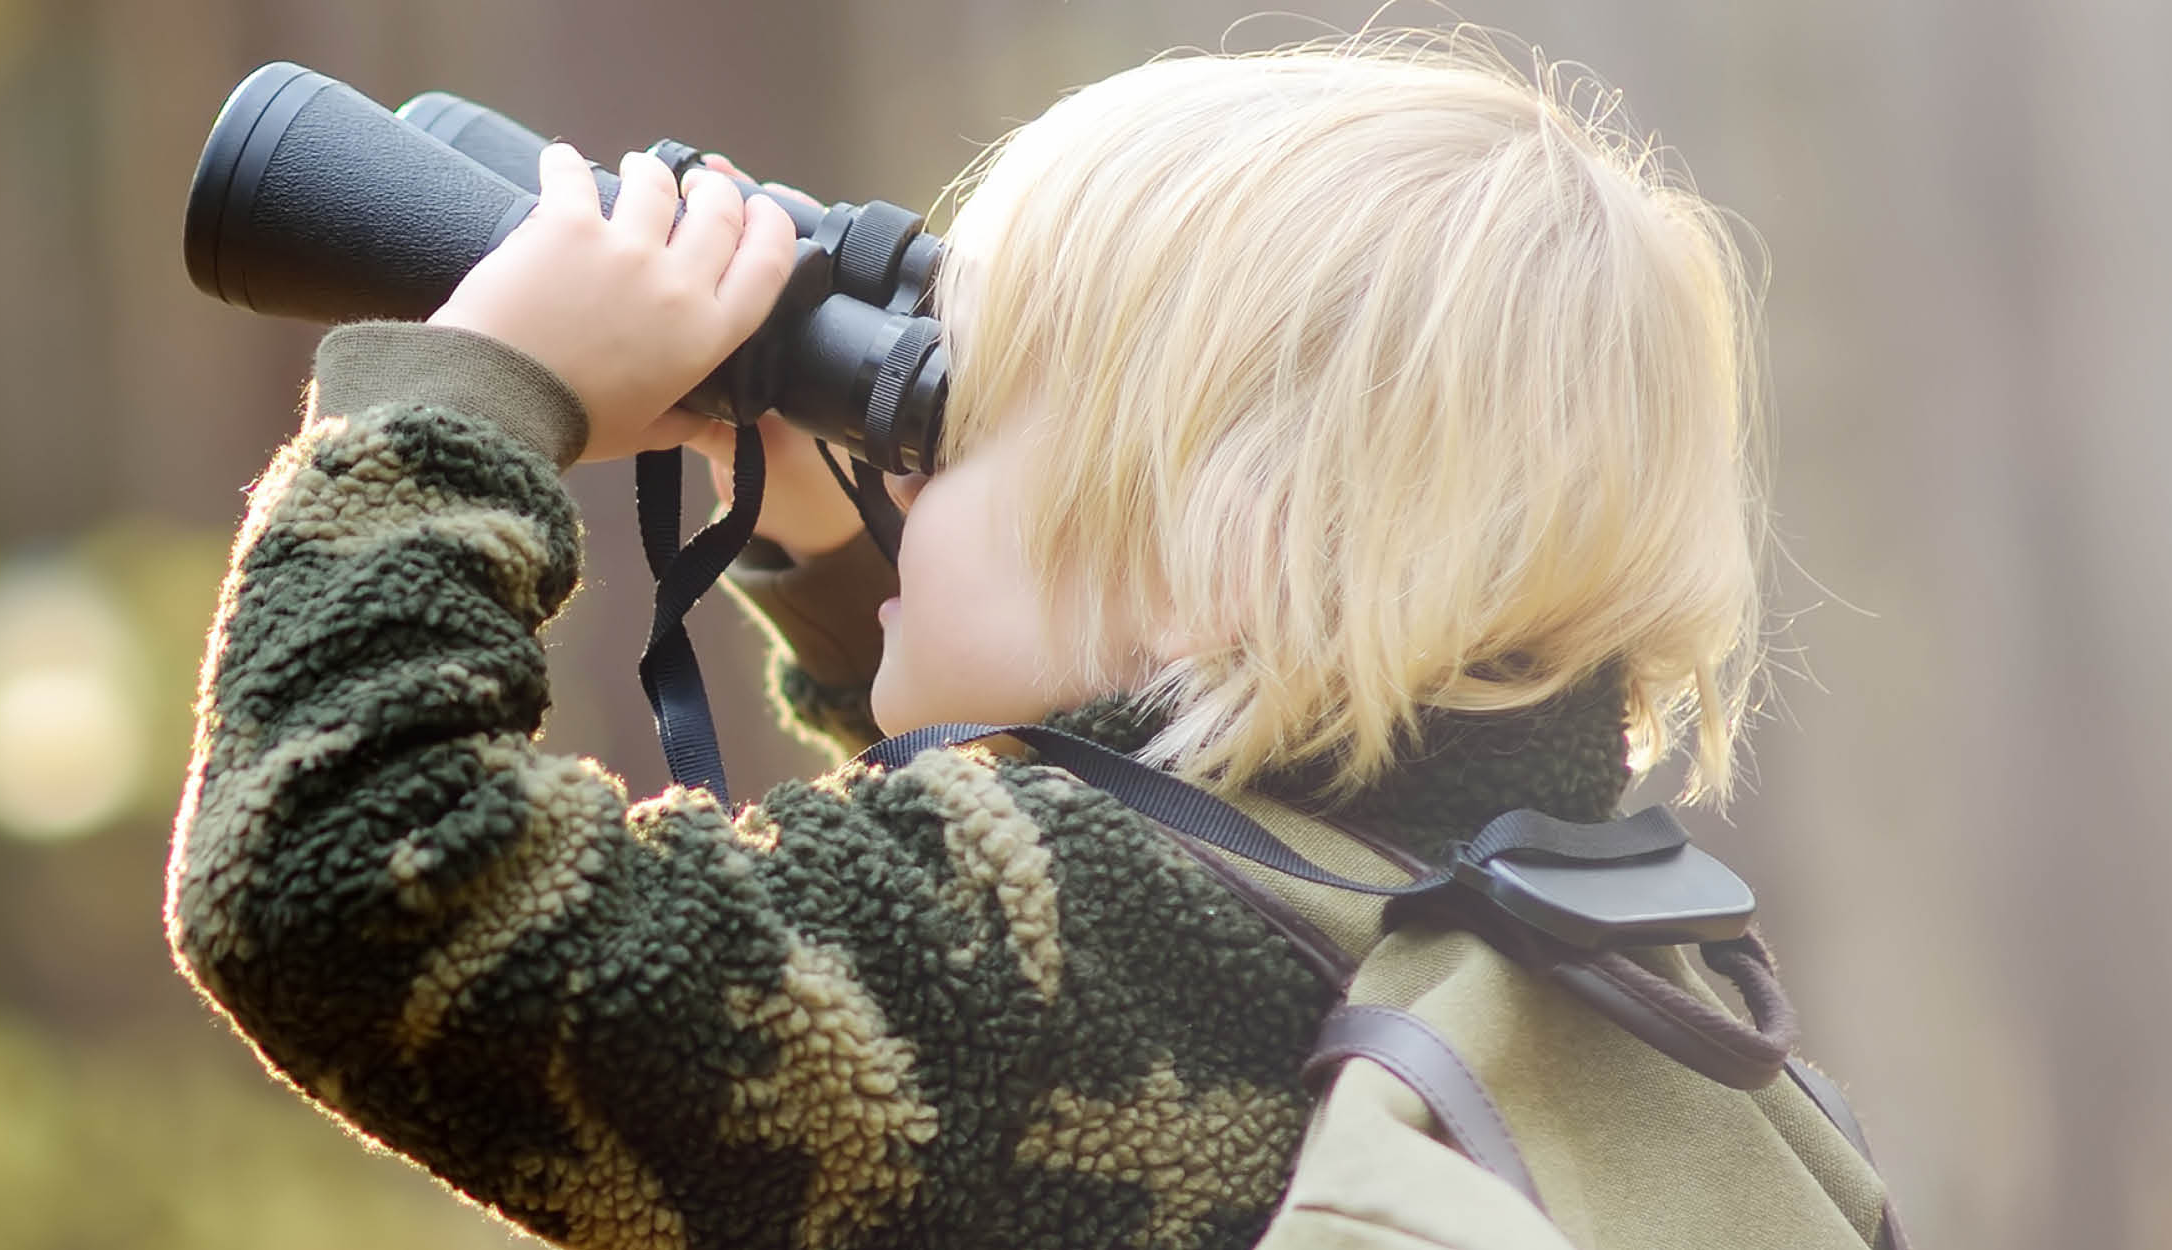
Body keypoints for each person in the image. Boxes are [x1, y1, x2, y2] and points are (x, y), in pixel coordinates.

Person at [167, 31, 1765, 1250]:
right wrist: (817, 525)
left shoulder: (1050, 949)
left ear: (1237, 554)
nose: (907, 460)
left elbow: (338, 882)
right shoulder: (1566, 948)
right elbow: (1120, 775)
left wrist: (475, 396)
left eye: (953, 409)